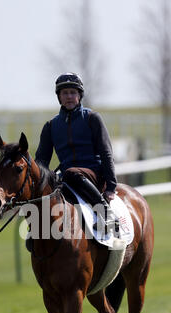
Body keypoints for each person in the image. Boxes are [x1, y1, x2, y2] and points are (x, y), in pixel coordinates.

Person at [35, 72, 118, 232]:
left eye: (73, 92)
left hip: (94, 175)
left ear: (79, 95)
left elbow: (106, 152)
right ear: (59, 97)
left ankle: (106, 213)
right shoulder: (50, 126)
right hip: (68, 178)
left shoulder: (92, 118)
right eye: (65, 93)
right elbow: (41, 163)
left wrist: (111, 187)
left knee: (71, 172)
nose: (69, 96)